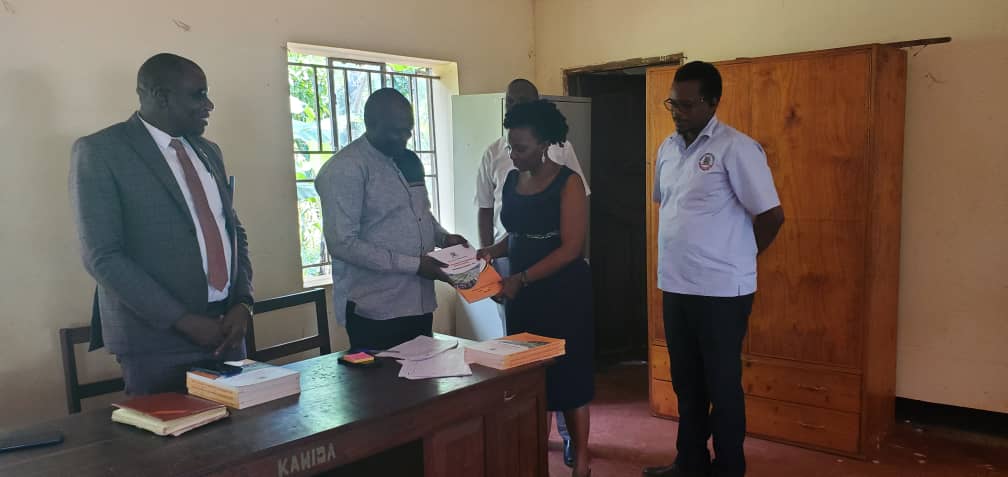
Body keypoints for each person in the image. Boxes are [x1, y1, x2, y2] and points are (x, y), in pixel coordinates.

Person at [69, 53, 254, 395]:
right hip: (155, 341)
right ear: (161, 96)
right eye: (198, 95)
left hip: (226, 332)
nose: (209, 104)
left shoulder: (209, 151)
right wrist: (183, 321)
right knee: (171, 446)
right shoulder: (101, 152)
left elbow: (232, 232)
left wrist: (243, 302)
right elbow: (103, 256)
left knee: (242, 441)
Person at [644, 61, 785, 477]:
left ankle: (729, 468)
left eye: (688, 104)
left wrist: (740, 258)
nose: (678, 111)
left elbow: (772, 216)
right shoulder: (667, 149)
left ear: (713, 102)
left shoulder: (736, 148)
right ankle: (690, 463)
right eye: (674, 102)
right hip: (676, 286)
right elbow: (668, 207)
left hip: (723, 292)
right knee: (686, 385)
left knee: (722, 387)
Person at [474, 78, 588, 467]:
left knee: (567, 379)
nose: (513, 154)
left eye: (520, 148)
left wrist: (520, 279)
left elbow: (571, 246)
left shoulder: (568, 182)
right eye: (510, 147)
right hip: (522, 291)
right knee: (528, 375)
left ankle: (582, 460)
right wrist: (492, 250)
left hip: (560, 291)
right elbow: (517, 231)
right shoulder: (511, 178)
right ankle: (533, 453)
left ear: (543, 145)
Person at [315, 88, 468, 351]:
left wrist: (444, 238)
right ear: (370, 124)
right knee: (381, 391)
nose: (404, 138)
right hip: (375, 309)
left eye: (408, 129)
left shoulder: (408, 160)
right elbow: (343, 243)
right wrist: (414, 265)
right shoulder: (346, 169)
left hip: (418, 302)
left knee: (427, 387)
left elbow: (421, 216)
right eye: (395, 130)